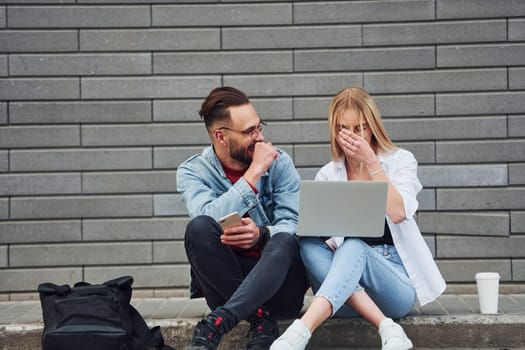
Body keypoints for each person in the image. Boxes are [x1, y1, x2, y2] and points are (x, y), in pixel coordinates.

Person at [270, 87, 446, 350]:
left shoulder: (400, 161)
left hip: (392, 286)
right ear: (334, 130)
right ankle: (387, 327)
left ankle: (301, 331)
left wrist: (372, 163)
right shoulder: (329, 174)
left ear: (373, 127)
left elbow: (399, 212)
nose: (354, 136)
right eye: (345, 129)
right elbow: (326, 240)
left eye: (361, 128)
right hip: (343, 296)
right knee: (308, 243)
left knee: (354, 245)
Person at [177, 86, 308, 350]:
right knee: (198, 228)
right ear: (221, 136)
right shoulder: (192, 172)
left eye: (260, 127)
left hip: (279, 285)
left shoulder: (279, 163)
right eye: (250, 132)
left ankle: (221, 322)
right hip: (226, 286)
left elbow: (293, 223)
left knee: (284, 239)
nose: (259, 138)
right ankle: (259, 319)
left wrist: (261, 236)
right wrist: (255, 173)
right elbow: (208, 219)